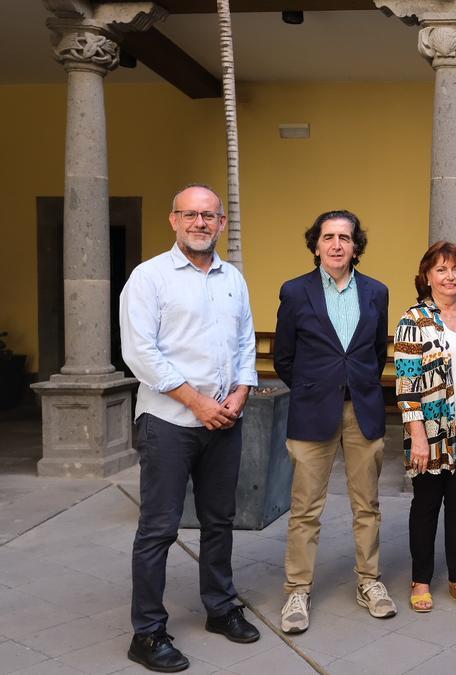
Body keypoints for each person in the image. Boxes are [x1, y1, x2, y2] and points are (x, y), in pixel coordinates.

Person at [119, 184, 260, 672]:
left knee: (219, 521)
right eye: (191, 215)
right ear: (173, 220)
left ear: (221, 223)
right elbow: (140, 353)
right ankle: (148, 631)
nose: (201, 223)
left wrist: (240, 393)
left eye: (210, 216)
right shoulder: (149, 278)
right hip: (170, 422)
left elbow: (245, 341)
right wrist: (199, 403)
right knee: (158, 528)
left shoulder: (232, 279)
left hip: (225, 419)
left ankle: (220, 609)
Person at [274, 210, 395, 634]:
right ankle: (297, 590)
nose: (337, 244)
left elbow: (376, 353)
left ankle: (369, 582)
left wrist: (352, 382)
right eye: (328, 237)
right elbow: (284, 357)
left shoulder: (377, 292)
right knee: (305, 508)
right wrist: (315, 387)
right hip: (312, 412)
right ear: (316, 244)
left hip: (361, 409)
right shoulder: (295, 292)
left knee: (368, 505)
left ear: (356, 246)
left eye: (345, 237)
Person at [395, 241, 456, 613]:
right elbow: (405, 387)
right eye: (441, 269)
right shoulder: (413, 320)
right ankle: (420, 580)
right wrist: (417, 435)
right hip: (431, 429)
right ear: (427, 276)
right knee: (425, 505)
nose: (449, 276)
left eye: (455, 269)